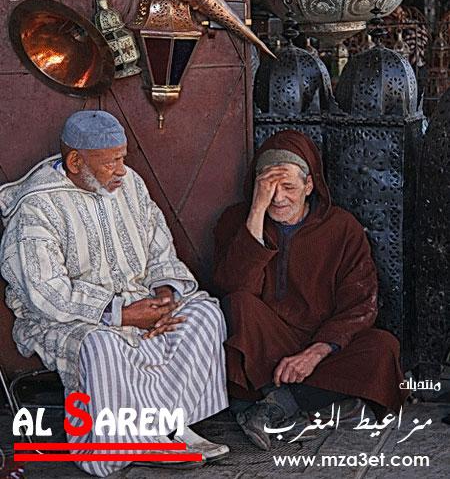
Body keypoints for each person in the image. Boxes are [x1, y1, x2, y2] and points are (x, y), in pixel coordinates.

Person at [0, 110, 229, 476]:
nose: (123, 170)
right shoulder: (37, 206)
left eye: (123, 158)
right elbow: (46, 292)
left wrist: (164, 298)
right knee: (103, 346)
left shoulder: (131, 184)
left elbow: (159, 248)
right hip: (69, 318)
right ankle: (126, 443)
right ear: (76, 162)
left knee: (203, 316)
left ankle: (171, 426)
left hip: (140, 300)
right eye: (112, 162)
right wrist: (121, 313)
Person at [214, 129, 408, 450]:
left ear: (309, 185)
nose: (278, 198)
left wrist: (315, 352)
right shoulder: (237, 220)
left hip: (320, 343)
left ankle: (276, 406)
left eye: (288, 187)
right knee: (238, 304)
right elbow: (235, 287)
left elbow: (361, 305)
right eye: (268, 188)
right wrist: (256, 212)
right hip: (264, 345)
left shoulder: (341, 227)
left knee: (382, 347)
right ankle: (308, 405)